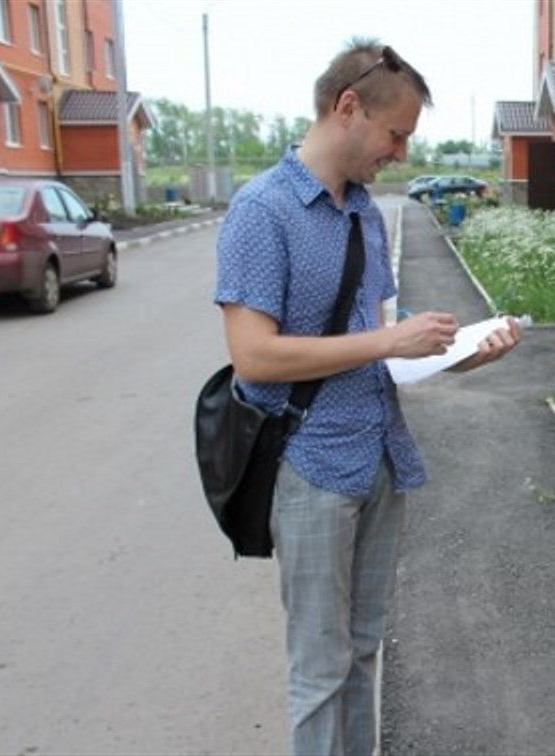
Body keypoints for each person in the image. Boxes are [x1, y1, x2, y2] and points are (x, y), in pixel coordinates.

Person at [214, 39, 521, 754]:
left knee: (360, 651)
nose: (401, 154)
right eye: (396, 135)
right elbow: (253, 355)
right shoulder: (263, 211)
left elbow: (378, 350)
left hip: (379, 457)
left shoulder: (361, 213)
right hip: (310, 468)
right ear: (346, 108)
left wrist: (457, 356)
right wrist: (388, 342)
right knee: (321, 670)